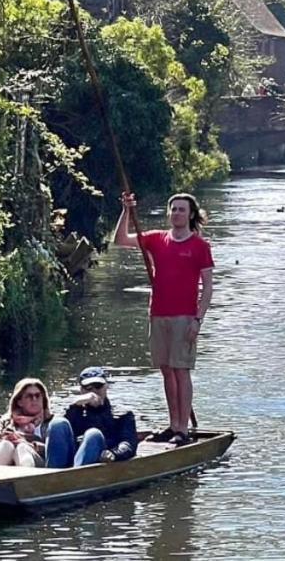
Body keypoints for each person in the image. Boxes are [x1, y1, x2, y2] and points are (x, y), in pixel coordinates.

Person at [115, 191, 213, 446]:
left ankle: (182, 429)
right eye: (174, 209)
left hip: (184, 318)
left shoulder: (200, 246)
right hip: (158, 314)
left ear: (191, 214)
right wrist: (127, 210)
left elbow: (208, 287)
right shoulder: (156, 239)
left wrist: (197, 320)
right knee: (166, 372)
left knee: (181, 371)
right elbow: (121, 239)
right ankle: (173, 425)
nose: (177, 213)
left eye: (182, 209)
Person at [45, 365, 138, 467]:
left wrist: (114, 454)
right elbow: (61, 435)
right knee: (58, 423)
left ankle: (76, 476)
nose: (94, 391)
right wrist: (76, 406)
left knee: (93, 434)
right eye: (88, 388)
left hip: (100, 455)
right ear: (81, 390)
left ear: (106, 386)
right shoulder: (75, 410)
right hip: (72, 457)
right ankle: (52, 474)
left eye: (98, 386)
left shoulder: (122, 413)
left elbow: (128, 443)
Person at [0, 377, 52, 467]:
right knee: (6, 445)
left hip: (39, 465)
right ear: (19, 402)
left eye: (38, 395)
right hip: (6, 464)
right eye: (29, 396)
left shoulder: (51, 422)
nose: (34, 399)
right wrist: (5, 439)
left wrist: (30, 444)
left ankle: (25, 479)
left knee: (22, 448)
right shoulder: (6, 421)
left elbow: (56, 450)